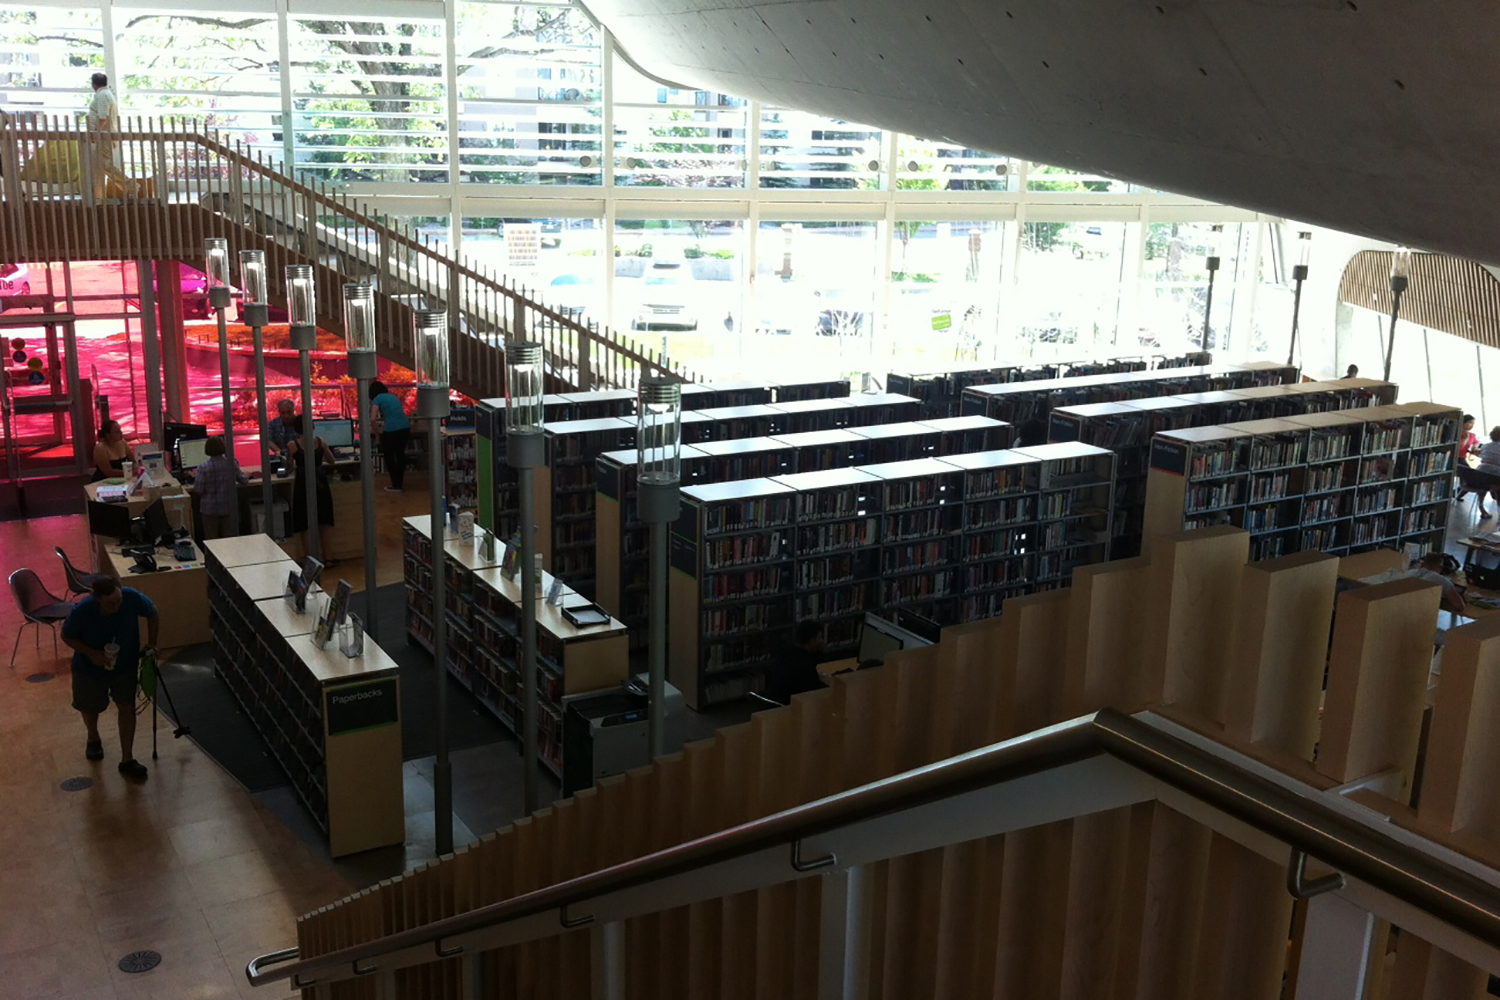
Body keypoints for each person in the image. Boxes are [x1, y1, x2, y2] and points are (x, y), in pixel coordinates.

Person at [61, 576, 157, 782]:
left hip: (125, 666)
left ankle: (127, 758)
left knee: (127, 706)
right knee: (90, 706)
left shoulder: (131, 598)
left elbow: (152, 612)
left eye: (119, 601)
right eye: (110, 604)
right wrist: (91, 654)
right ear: (97, 599)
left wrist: (152, 646)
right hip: (89, 670)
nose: (116, 607)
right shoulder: (83, 610)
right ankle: (93, 737)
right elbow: (67, 635)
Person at [288, 415, 336, 562]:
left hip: (302, 484)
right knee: (324, 522)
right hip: (321, 482)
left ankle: (309, 560)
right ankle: (328, 558)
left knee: (304, 523)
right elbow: (332, 461)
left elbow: (289, 468)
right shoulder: (321, 442)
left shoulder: (293, 445)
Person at [193, 435, 248, 539]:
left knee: (211, 541)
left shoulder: (203, 467)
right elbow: (244, 480)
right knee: (230, 540)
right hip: (229, 508)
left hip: (209, 510)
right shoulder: (231, 464)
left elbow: (198, 490)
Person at [763, 620, 828, 705]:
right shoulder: (806, 666)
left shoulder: (786, 653)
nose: (822, 641)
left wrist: (819, 652)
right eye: (819, 638)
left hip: (777, 703)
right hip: (793, 706)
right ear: (811, 641)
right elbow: (814, 694)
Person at [369, 380, 411, 492]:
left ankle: (395, 484)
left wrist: (377, 435)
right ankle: (399, 483)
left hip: (392, 429)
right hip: (405, 427)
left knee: (389, 457)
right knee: (400, 455)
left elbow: (373, 419)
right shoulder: (393, 396)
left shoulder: (377, 399)